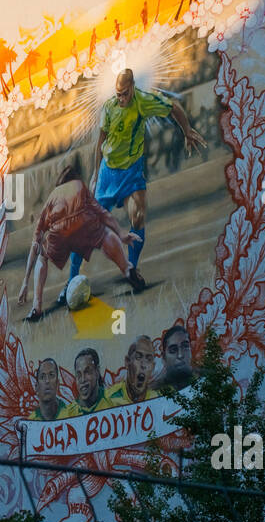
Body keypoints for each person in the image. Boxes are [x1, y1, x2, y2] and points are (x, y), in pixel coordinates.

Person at [62, 68, 206, 302]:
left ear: (132, 88)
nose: (121, 98)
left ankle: (131, 268)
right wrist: (95, 173)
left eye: (125, 94)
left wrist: (187, 131)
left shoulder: (143, 102)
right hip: (108, 175)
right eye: (118, 94)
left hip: (131, 173)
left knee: (138, 216)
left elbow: (173, 107)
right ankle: (70, 282)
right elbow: (100, 141)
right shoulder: (109, 108)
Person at [17, 164, 144, 322]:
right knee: (105, 234)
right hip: (83, 222)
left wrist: (25, 282)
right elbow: (103, 214)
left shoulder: (52, 197)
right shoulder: (80, 186)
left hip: (59, 230)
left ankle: (36, 306)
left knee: (42, 256)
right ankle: (127, 269)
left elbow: (35, 243)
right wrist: (121, 233)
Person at [59, 348, 115, 417]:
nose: (82, 380)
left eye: (87, 372)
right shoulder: (68, 415)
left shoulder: (113, 404)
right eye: (78, 374)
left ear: (97, 372)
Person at [106, 336, 157, 407]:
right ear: (127, 362)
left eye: (149, 359)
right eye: (138, 357)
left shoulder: (156, 400)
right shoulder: (110, 399)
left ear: (153, 367)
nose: (143, 365)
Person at [154, 324, 195, 394]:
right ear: (164, 358)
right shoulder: (154, 392)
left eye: (185, 346)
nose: (180, 355)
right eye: (173, 350)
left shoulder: (206, 380)